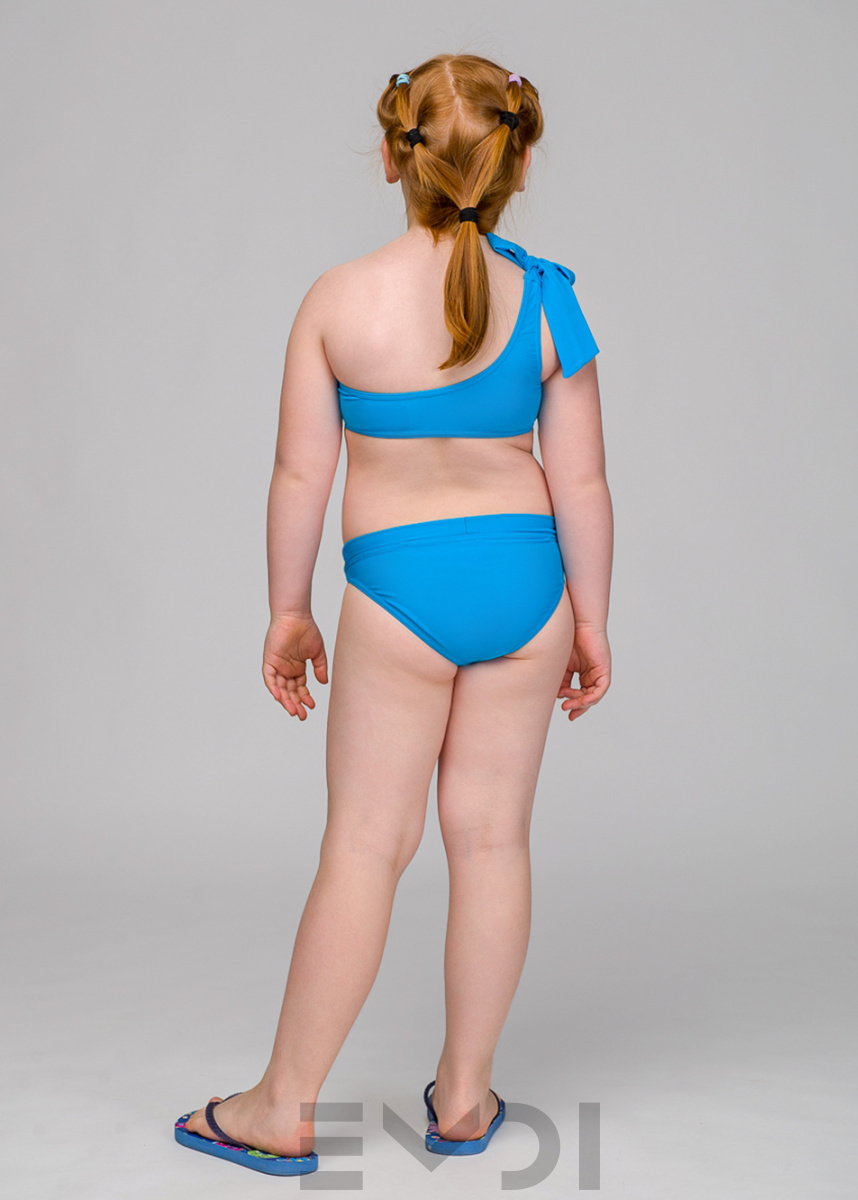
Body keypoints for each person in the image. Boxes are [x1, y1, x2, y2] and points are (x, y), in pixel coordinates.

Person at [174, 52, 613, 1177]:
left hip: (399, 595)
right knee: (492, 839)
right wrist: (592, 622)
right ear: (515, 167)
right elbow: (582, 482)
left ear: (391, 157)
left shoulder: (338, 301)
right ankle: (464, 1099)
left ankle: (282, 1106)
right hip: (528, 590)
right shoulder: (547, 300)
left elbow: (298, 477)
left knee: (367, 845)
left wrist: (288, 611)